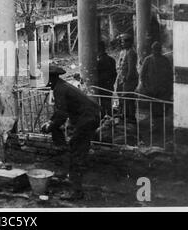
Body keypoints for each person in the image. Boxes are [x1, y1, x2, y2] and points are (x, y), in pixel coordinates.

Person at [41, 64, 100, 200]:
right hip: (90, 116)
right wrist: (51, 122)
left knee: (75, 152)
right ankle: (74, 182)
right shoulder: (61, 86)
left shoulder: (60, 89)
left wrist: (50, 126)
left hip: (87, 119)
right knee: (78, 149)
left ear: (51, 78)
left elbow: (61, 114)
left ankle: (76, 192)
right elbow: (60, 112)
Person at [114, 33, 138, 122]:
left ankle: (130, 116)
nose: (122, 44)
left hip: (129, 80)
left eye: (124, 42)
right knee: (120, 96)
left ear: (129, 42)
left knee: (128, 97)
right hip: (121, 77)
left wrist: (127, 79)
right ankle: (123, 113)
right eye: (121, 42)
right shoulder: (122, 52)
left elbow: (131, 68)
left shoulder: (131, 53)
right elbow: (120, 65)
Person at [96, 41, 117, 115]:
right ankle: (109, 120)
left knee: (103, 107)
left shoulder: (99, 62)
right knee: (108, 106)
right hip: (109, 86)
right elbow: (115, 74)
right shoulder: (112, 60)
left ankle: (105, 121)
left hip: (101, 87)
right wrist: (111, 83)